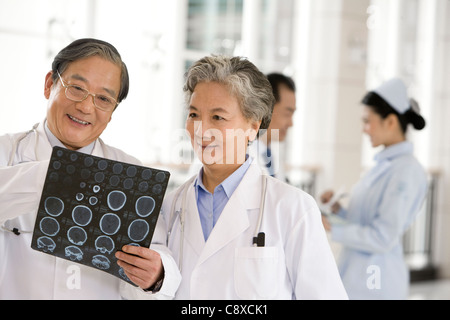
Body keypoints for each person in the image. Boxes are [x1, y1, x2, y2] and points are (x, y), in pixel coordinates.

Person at [153, 55, 347, 299]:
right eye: (193, 115)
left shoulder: (294, 208)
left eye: (217, 117)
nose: (201, 129)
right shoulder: (170, 207)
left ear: (253, 126)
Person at [0, 38, 180, 299]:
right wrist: (59, 173)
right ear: (49, 84)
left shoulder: (131, 173)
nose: (85, 107)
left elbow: (161, 260)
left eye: (104, 99)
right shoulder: (6, 152)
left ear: (112, 110)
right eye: (76, 88)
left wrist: (157, 275)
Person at [320, 78, 428, 299]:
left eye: (368, 122)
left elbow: (382, 236)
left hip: (377, 281)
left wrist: (333, 227)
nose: (364, 130)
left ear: (390, 121)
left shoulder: (406, 171)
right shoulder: (383, 166)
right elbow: (365, 221)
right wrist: (339, 211)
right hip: (358, 275)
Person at [248, 73, 296, 181]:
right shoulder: (243, 155)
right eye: (287, 114)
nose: (291, 123)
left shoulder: (273, 154)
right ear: (267, 109)